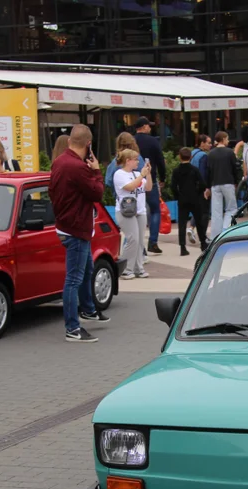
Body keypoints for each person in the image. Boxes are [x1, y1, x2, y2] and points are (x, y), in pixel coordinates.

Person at [49, 124, 107, 342]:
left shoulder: (59, 162)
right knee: (74, 278)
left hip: (64, 224)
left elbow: (52, 191)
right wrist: (96, 171)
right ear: (88, 144)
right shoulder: (77, 167)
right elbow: (97, 193)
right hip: (76, 228)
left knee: (86, 269)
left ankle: (89, 309)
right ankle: (72, 328)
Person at [113, 148, 150, 279]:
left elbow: (148, 187)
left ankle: (138, 268)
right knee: (132, 238)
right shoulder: (119, 174)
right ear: (128, 161)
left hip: (140, 210)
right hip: (125, 211)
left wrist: (148, 174)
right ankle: (126, 268)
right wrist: (141, 175)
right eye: (135, 159)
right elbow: (129, 187)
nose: (137, 162)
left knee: (140, 241)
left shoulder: (136, 173)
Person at [133, 116, 166, 254]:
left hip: (134, 180)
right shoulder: (153, 141)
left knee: (137, 212)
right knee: (155, 210)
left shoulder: (132, 141)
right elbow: (160, 160)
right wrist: (163, 178)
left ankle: (139, 246)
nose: (150, 128)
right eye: (149, 126)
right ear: (144, 127)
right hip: (150, 179)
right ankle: (153, 241)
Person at [171, 146, 207, 257]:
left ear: (179, 157)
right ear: (191, 157)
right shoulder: (194, 170)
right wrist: (197, 193)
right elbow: (202, 184)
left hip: (182, 199)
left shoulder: (176, 171)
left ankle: (182, 247)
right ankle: (203, 244)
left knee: (182, 224)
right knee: (199, 221)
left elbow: (173, 186)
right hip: (194, 199)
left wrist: (178, 196)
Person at [206, 131, 239, 241]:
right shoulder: (229, 152)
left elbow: (208, 171)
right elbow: (235, 168)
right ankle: (226, 230)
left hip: (215, 184)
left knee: (216, 211)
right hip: (228, 182)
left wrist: (208, 186)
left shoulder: (211, 153)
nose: (228, 141)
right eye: (227, 138)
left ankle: (215, 236)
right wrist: (237, 181)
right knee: (231, 208)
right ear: (223, 139)